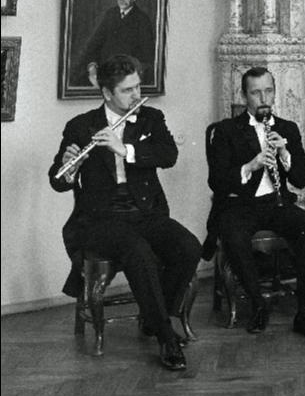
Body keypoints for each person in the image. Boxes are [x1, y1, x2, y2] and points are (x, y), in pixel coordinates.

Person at [49, 54, 201, 371]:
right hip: (100, 220)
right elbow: (57, 181)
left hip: (145, 212)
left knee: (189, 246)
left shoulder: (151, 119)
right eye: (127, 90)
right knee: (137, 251)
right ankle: (166, 339)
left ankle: (154, 317)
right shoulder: (81, 126)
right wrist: (70, 168)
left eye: (137, 87)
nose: (136, 95)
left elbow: (168, 155)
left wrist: (125, 150)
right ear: (107, 93)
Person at [206, 66, 305, 341]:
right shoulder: (226, 131)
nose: (263, 99)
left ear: (274, 92)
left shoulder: (287, 128)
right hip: (240, 206)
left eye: (268, 91)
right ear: (244, 95)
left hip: (277, 203)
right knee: (234, 236)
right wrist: (250, 166)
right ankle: (257, 304)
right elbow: (216, 182)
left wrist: (285, 153)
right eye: (256, 93)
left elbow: (301, 179)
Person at [81, 0, 155, 88]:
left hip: (124, 79)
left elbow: (147, 59)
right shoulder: (110, 14)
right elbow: (93, 45)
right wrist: (92, 68)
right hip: (103, 73)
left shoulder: (142, 20)